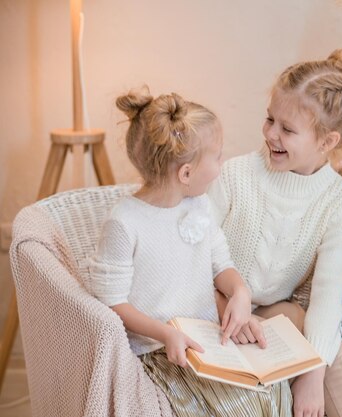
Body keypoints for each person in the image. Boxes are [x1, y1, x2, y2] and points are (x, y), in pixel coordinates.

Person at [87, 86, 292, 417]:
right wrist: (166, 332)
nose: (221, 165)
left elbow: (220, 264)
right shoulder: (125, 223)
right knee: (234, 409)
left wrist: (239, 292)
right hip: (159, 349)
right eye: (217, 156)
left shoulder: (200, 205)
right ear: (186, 173)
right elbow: (112, 303)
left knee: (272, 392)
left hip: (208, 338)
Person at [208, 50, 342, 417]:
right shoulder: (236, 175)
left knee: (321, 342)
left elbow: (329, 292)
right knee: (308, 334)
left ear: (327, 142)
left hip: (272, 315)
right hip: (212, 306)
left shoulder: (341, 199)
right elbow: (192, 254)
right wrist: (228, 306)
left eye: (287, 129)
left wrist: (312, 373)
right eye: (270, 119)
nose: (271, 134)